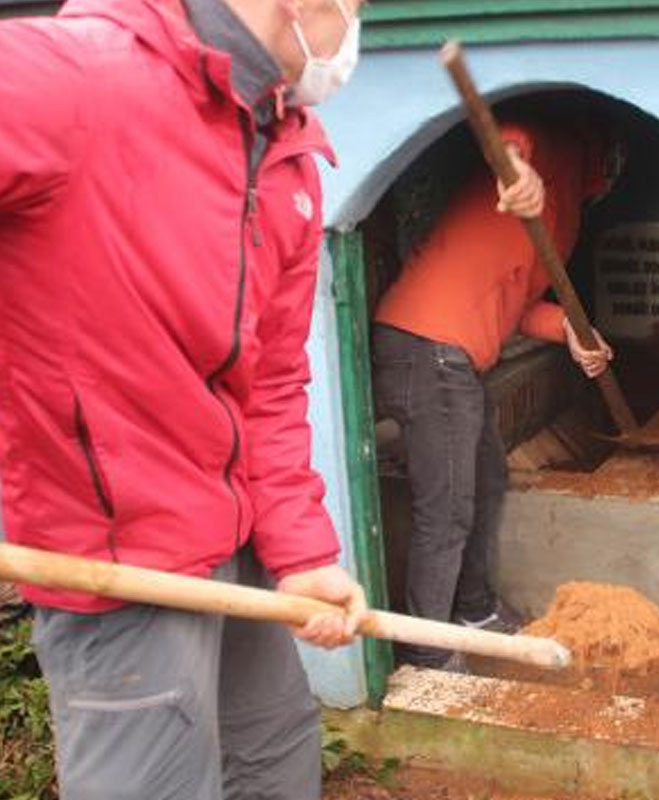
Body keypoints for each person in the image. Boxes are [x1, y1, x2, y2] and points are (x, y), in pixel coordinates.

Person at [0, 0, 537, 795]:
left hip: (239, 545)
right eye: (352, 6)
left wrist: (301, 556)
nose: (354, 28)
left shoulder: (285, 159)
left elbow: (272, 386)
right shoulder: (68, 80)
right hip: (120, 564)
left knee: (278, 765)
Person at [373, 115, 621, 670]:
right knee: (447, 507)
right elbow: (514, 133)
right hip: (427, 343)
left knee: (485, 481)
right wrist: (515, 163)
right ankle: (428, 652)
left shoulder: (564, 216)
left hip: (455, 354)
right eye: (612, 160)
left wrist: (571, 333)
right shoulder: (561, 148)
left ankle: (475, 611)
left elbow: (514, 305)